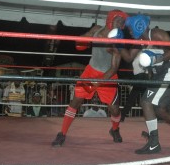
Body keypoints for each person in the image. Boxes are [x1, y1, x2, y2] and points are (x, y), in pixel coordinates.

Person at [121, 14, 170, 154]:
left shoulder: (157, 34)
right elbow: (128, 57)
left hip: (169, 71)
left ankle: (154, 142)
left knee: (146, 102)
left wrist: (155, 60)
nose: (130, 32)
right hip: (159, 75)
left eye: (131, 28)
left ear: (138, 25)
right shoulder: (139, 41)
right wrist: (117, 43)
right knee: (160, 110)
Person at [51, 10, 129, 147]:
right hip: (90, 72)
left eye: (123, 23)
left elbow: (114, 68)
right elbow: (80, 41)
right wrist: (83, 41)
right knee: (75, 101)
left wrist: (98, 83)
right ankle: (62, 133)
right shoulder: (96, 30)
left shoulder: (117, 41)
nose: (121, 25)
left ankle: (115, 130)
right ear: (110, 20)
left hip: (108, 76)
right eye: (119, 21)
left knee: (115, 109)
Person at [120, 50, 150, 122]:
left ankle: (123, 115)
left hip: (141, 76)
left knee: (135, 97)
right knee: (144, 97)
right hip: (141, 76)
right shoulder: (137, 55)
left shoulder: (141, 53)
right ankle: (152, 115)